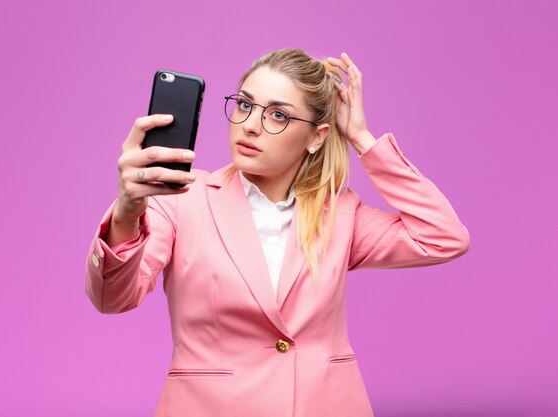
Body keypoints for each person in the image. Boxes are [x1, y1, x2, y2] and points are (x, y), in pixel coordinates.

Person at [84, 48, 470, 417]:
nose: (250, 124)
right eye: (246, 104)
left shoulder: (340, 213)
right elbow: (112, 299)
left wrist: (362, 138)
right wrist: (127, 211)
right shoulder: (181, 198)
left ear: (317, 137)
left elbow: (443, 236)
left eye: (278, 115)